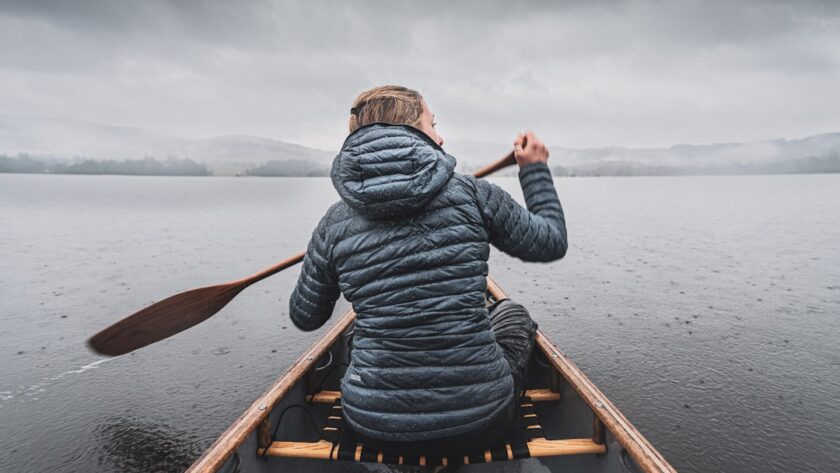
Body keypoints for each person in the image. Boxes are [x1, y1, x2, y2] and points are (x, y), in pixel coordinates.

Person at [289, 85, 567, 457]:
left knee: (358, 330)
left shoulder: (333, 223)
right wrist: (534, 170)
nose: (441, 136)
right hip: (481, 422)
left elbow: (306, 316)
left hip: (372, 426)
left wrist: (322, 253)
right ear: (413, 132)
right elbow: (551, 240)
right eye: (432, 124)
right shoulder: (471, 194)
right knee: (513, 314)